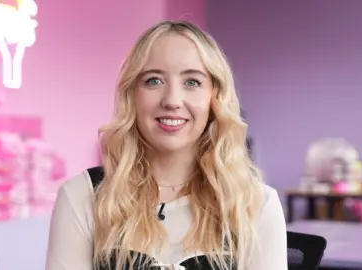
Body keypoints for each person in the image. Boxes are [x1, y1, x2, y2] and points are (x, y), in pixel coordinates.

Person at [45, 20, 287, 270]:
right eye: (154, 81)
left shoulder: (256, 204)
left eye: (192, 82)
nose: (172, 100)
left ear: (214, 98)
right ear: (132, 95)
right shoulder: (82, 197)